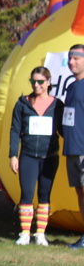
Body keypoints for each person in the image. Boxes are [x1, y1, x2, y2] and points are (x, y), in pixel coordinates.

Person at [9, 66, 63, 246]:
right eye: (33, 81)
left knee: (44, 195)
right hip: (28, 156)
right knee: (27, 193)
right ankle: (25, 233)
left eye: (40, 81)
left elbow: (64, 129)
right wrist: (13, 155)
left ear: (48, 82)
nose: (36, 85)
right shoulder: (22, 103)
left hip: (50, 157)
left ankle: (40, 234)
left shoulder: (57, 105)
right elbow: (15, 130)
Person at [63, 44, 84, 249]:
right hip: (72, 148)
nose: (71, 62)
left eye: (76, 58)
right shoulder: (71, 87)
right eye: (70, 58)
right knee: (80, 191)